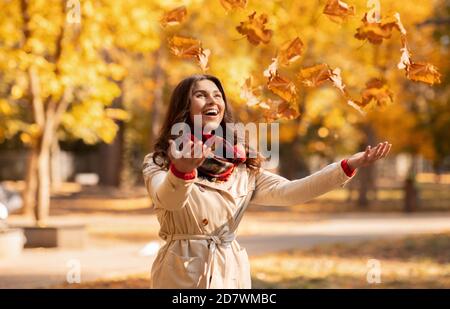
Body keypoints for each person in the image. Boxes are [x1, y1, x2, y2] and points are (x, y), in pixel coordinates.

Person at [142, 74, 391, 289]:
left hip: (229, 273)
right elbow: (168, 200)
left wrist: (346, 166)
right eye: (200, 95)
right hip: (180, 273)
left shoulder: (241, 167)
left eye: (217, 95)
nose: (212, 101)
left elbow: (290, 192)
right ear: (183, 107)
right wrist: (181, 172)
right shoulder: (160, 161)